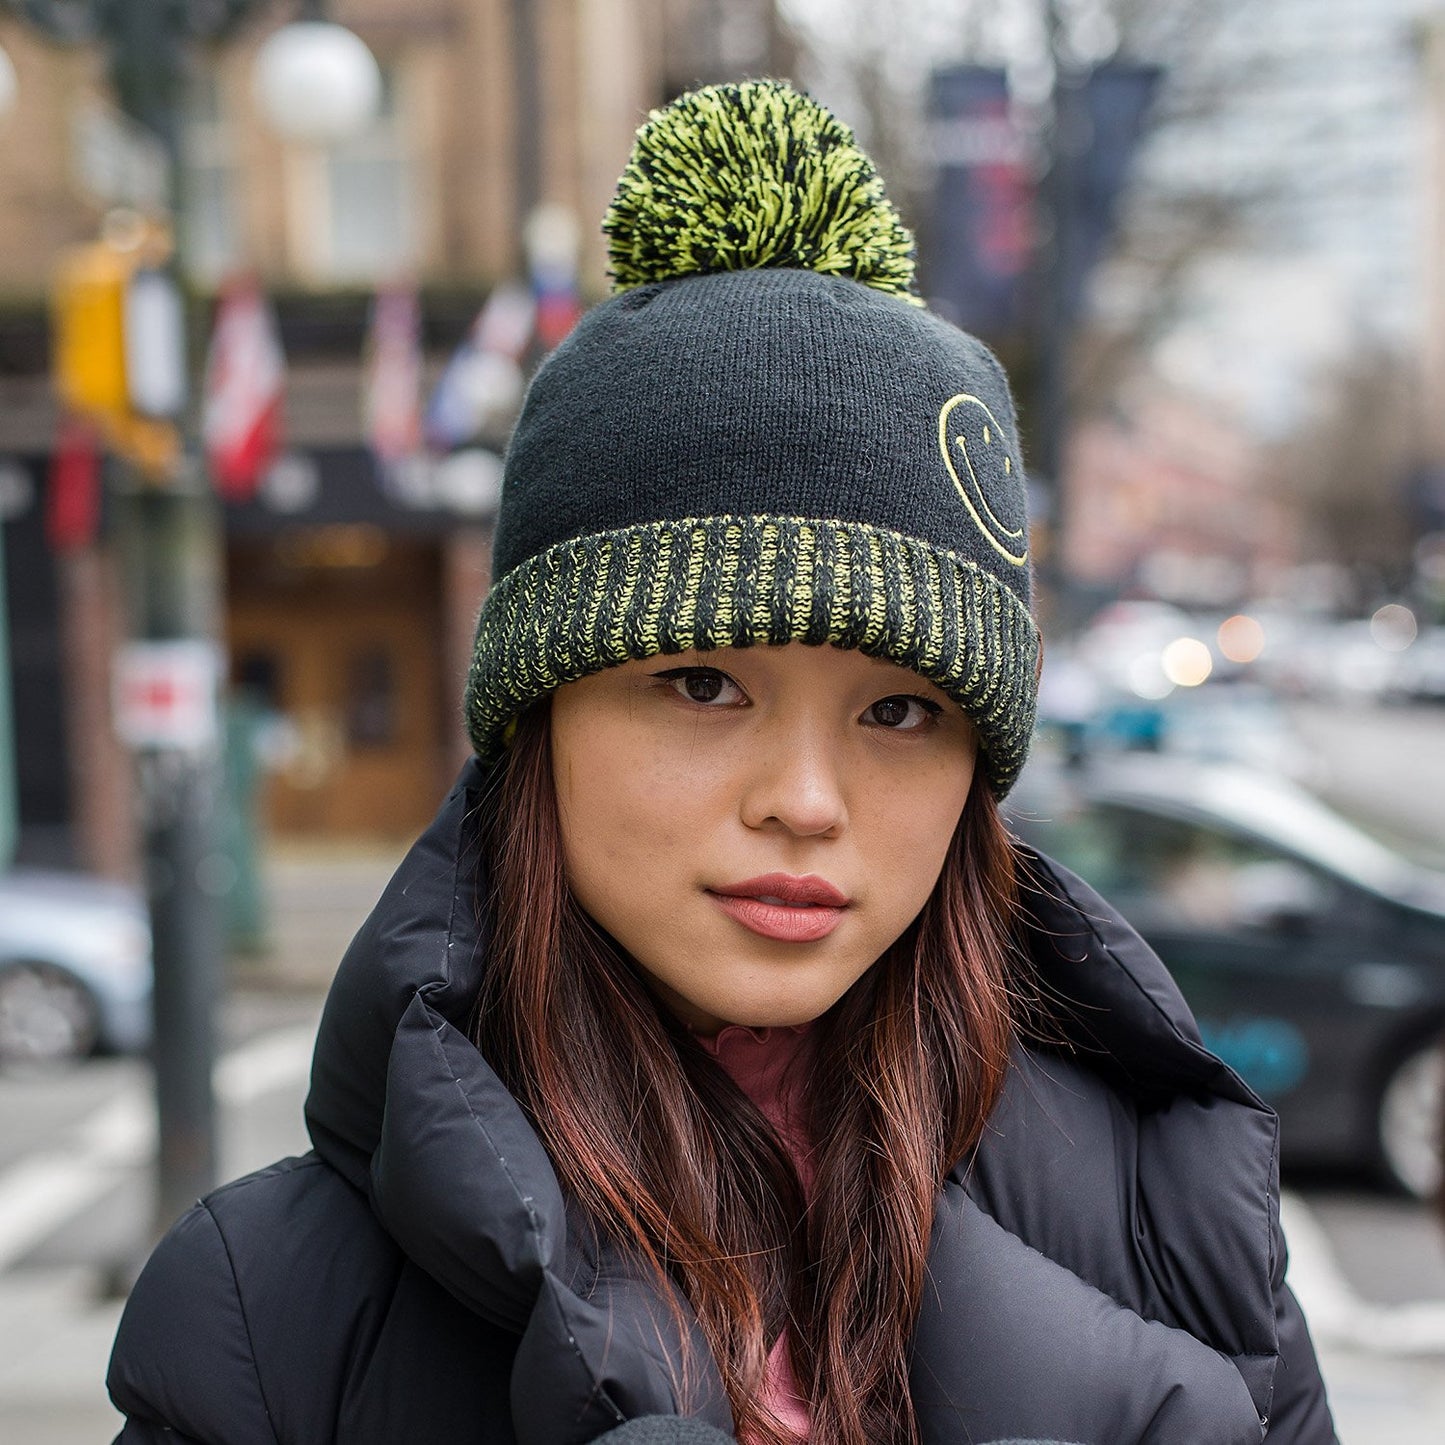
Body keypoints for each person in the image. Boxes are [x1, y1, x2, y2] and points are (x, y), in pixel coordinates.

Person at [106, 81, 1338, 1445]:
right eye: (702, 683)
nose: (804, 803)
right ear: (543, 718)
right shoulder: (268, 1313)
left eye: (898, 713)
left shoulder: (1175, 1213)